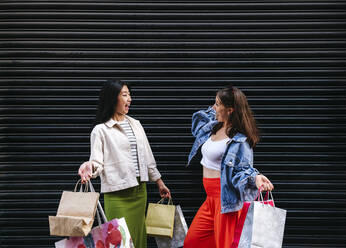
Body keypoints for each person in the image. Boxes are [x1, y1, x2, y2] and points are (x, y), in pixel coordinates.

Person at [78, 80, 171, 248]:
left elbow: (148, 157)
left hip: (139, 192)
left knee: (138, 240)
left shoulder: (135, 124)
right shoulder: (100, 130)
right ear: (113, 98)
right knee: (119, 242)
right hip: (117, 194)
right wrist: (89, 167)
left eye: (129, 95)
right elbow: (97, 161)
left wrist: (159, 182)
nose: (130, 99)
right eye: (125, 95)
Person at [183, 86, 274, 248]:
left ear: (230, 110)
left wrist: (255, 178)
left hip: (226, 201)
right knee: (193, 242)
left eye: (218, 104)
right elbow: (198, 121)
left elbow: (243, 169)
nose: (214, 107)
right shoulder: (213, 127)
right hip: (210, 199)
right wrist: (215, 109)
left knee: (224, 245)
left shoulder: (240, 140)